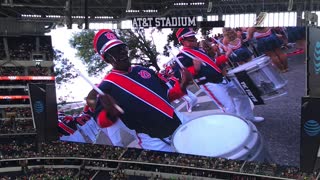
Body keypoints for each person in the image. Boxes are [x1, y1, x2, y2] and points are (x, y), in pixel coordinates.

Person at [86, 29, 193, 152]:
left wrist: (183, 85)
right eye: (115, 52)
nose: (122, 53)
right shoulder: (106, 87)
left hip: (179, 122)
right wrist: (110, 113)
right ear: (107, 59)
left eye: (123, 48)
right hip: (155, 142)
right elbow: (101, 120)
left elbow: (167, 96)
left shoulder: (145, 70)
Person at [174, 27, 264, 122]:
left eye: (194, 37)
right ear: (183, 41)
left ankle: (247, 117)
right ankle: (236, 128)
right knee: (229, 107)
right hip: (209, 83)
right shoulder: (181, 56)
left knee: (241, 95)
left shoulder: (198, 50)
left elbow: (213, 62)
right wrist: (194, 69)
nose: (195, 40)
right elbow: (179, 75)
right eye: (191, 39)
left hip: (222, 78)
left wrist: (226, 55)